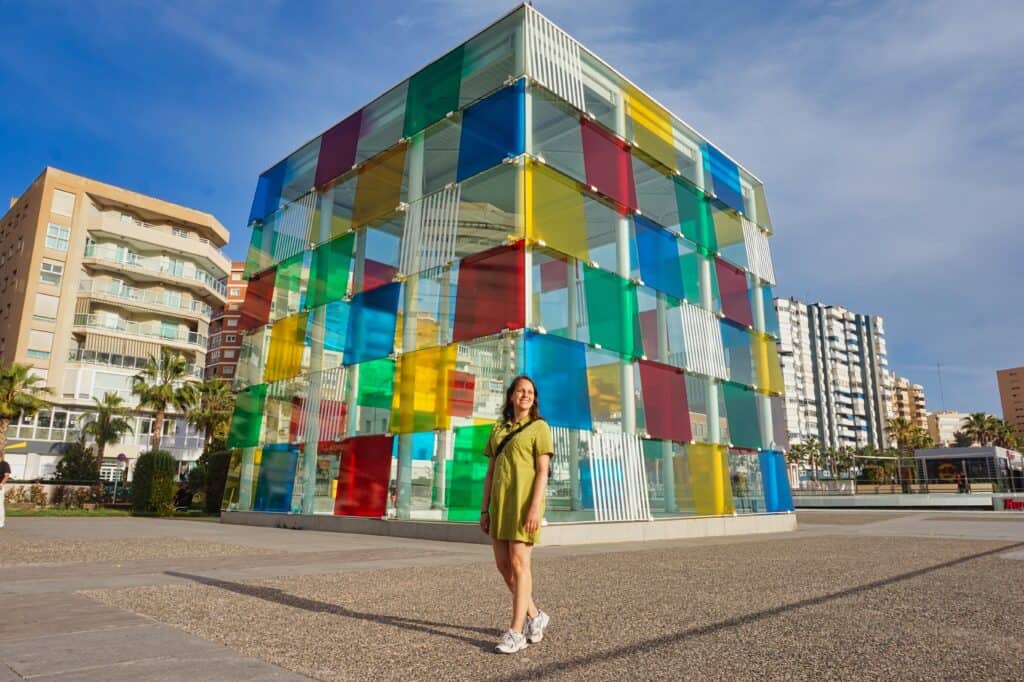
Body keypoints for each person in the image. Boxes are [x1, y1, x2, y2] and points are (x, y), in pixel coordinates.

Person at [480, 375, 554, 654]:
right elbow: (490, 472)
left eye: (530, 392)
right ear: (511, 396)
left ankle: (516, 631)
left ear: (534, 399)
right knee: (504, 566)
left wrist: (535, 508)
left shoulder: (539, 427)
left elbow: (543, 471)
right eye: (521, 390)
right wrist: (484, 508)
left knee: (520, 564)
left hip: (525, 505)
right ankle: (536, 616)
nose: (525, 395)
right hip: (500, 506)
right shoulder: (498, 428)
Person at [0, 452, 11, 529]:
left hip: (0, 487)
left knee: (0, 505)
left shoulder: (5, 464)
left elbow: (6, 476)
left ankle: (1, 523)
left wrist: (1, 484)